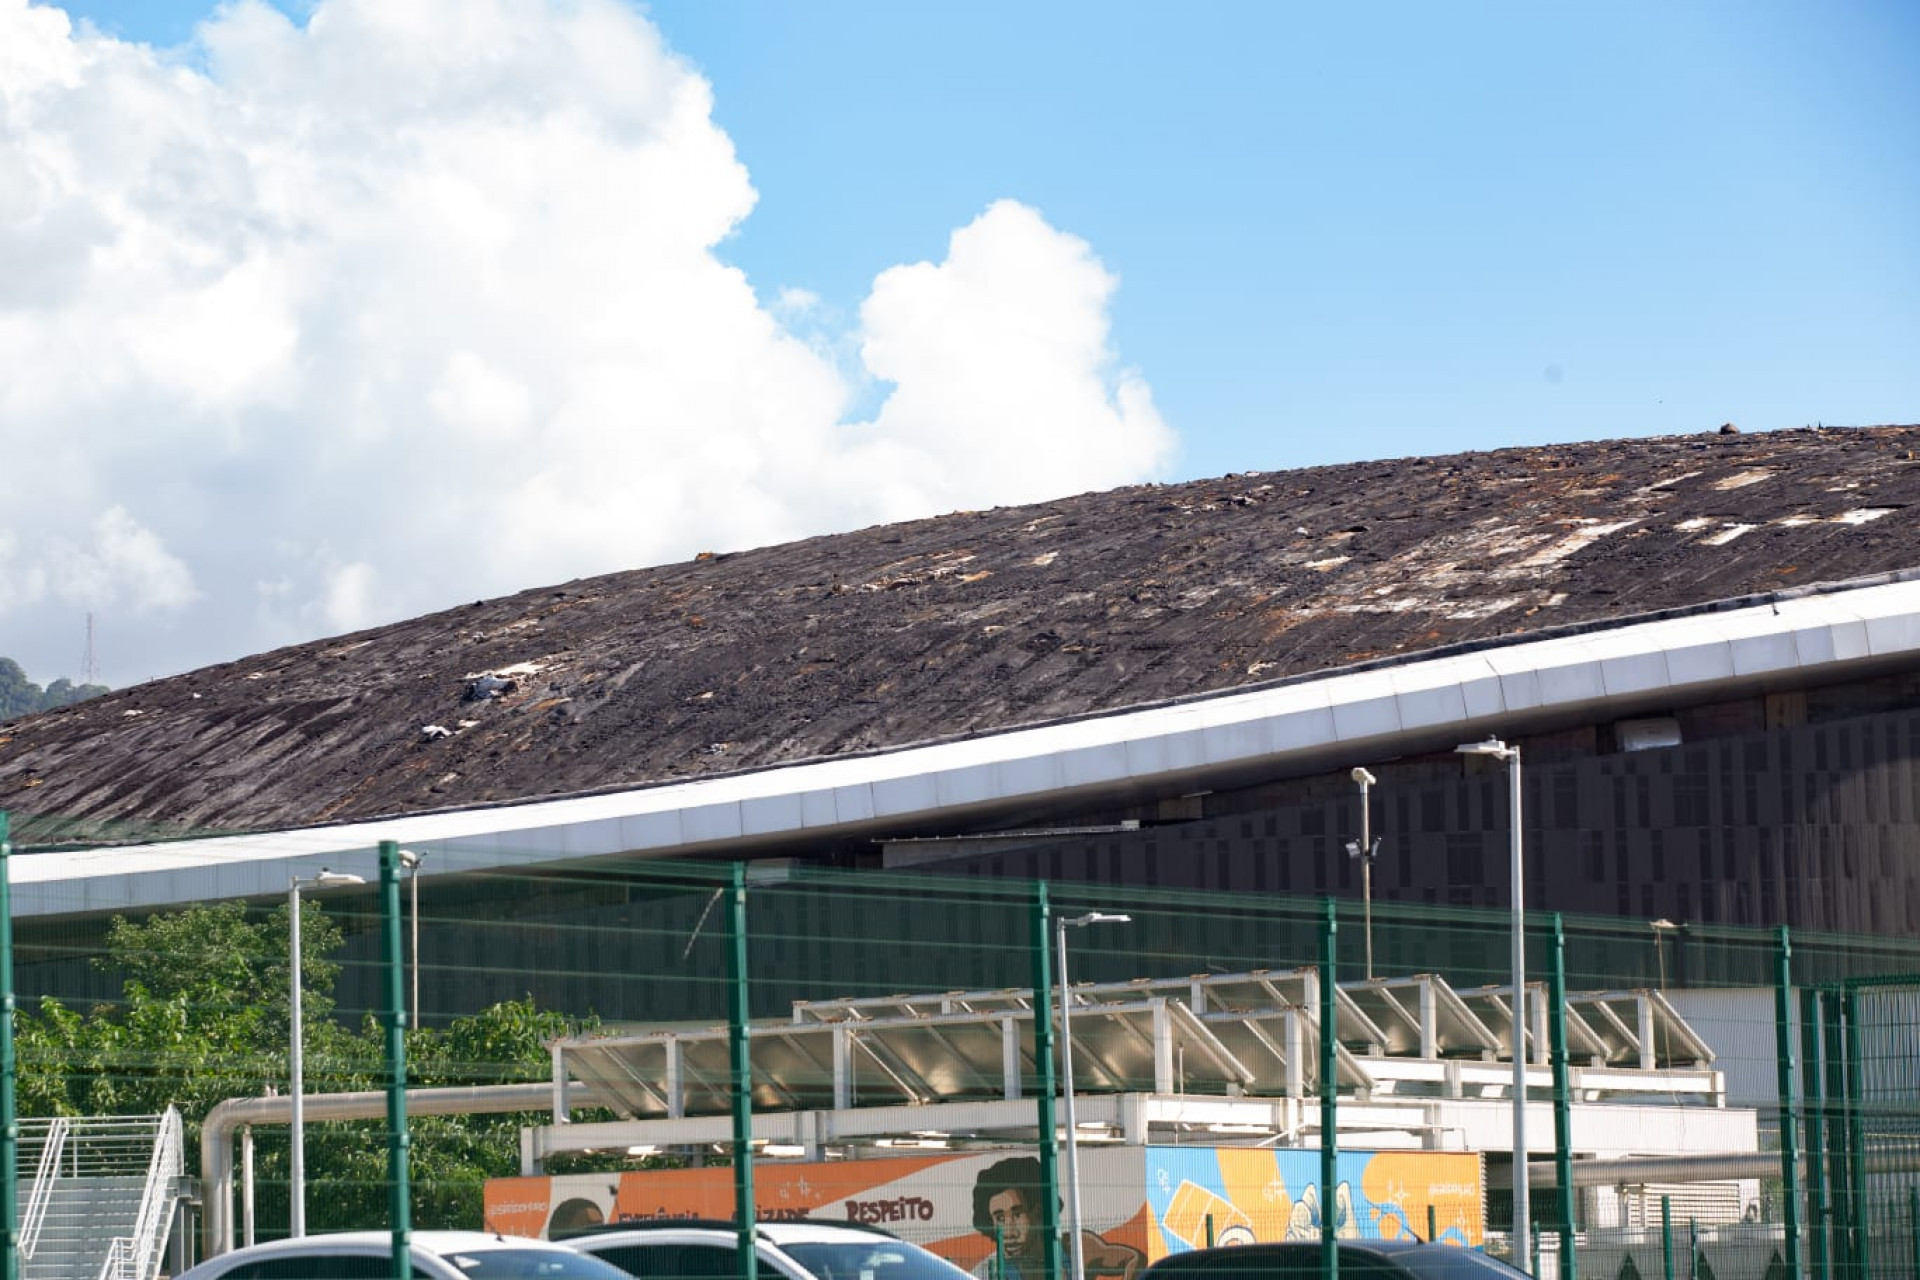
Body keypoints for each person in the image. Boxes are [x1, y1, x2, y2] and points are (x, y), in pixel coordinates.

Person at [969, 1157, 1142, 1280]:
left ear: (1037, 1211)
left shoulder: (1074, 1249)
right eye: (999, 1218)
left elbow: (1133, 1259)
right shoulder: (993, 1273)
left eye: (1017, 1214)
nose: (1009, 1232)